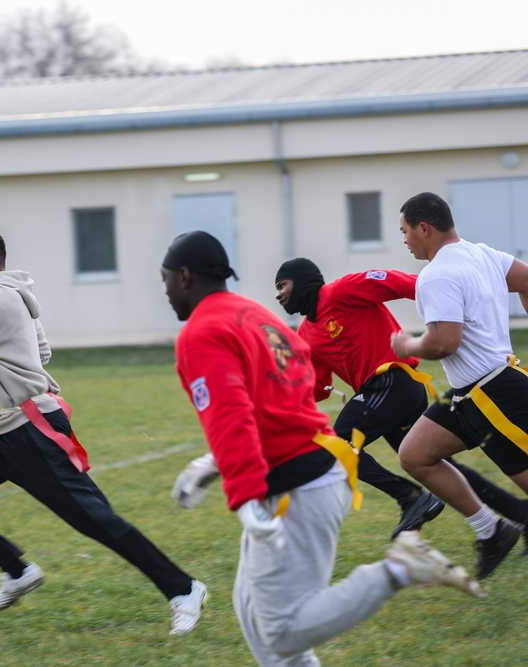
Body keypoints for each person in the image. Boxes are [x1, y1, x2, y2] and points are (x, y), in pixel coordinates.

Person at [161, 230, 483, 667]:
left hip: (301, 486)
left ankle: (399, 568)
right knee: (251, 610)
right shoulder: (254, 315)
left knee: (283, 631)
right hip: (311, 473)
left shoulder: (201, 332)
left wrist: (244, 495)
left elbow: (230, 416)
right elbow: (282, 400)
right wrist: (216, 463)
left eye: (164, 280)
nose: (164, 292)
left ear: (183, 277)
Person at [0, 226, 208, 635]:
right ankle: (17, 571)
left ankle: (184, 588)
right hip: (4, 431)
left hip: (30, 432)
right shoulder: (15, 296)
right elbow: (39, 352)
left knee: (97, 520)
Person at [269, 258, 528, 544]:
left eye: (283, 285)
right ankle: (515, 515)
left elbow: (405, 283)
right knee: (434, 464)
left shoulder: (342, 290)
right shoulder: (304, 335)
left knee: (335, 447)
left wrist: (449, 310)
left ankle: (410, 497)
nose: (279, 294)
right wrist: (284, 368)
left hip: (394, 382)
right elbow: (316, 389)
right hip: (388, 395)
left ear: (303, 279)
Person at [391, 191, 528, 579]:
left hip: (497, 392)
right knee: (414, 453)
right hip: (473, 394)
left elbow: (443, 342)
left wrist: (407, 344)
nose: (404, 240)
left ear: (424, 228)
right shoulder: (482, 253)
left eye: (405, 232)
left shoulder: (436, 275)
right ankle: (493, 531)